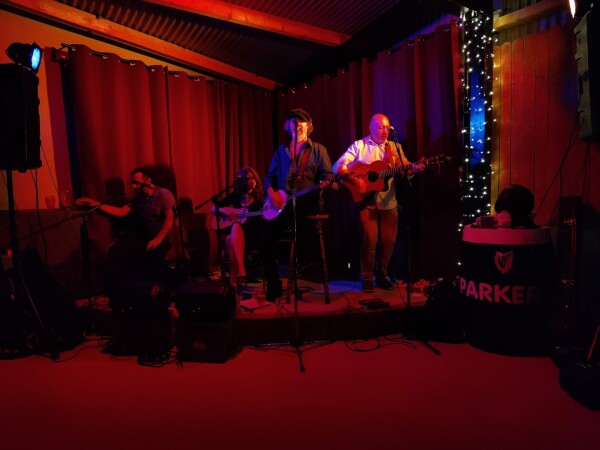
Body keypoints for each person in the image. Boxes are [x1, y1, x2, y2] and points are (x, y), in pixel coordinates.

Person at [334, 113, 424, 293]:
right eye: (381, 127)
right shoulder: (359, 146)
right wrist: (356, 181)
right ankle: (367, 277)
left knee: (389, 241)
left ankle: (382, 275)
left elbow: (404, 167)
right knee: (370, 240)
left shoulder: (394, 147)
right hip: (366, 201)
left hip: (389, 201)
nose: (385, 131)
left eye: (387, 128)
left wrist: (413, 169)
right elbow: (338, 166)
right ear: (371, 128)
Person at [262, 108, 334, 302]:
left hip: (307, 202)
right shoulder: (281, 152)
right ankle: (274, 286)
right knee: (265, 235)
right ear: (288, 127)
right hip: (284, 204)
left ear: (308, 126)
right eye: (293, 121)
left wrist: (327, 182)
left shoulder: (318, 150)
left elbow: (329, 175)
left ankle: (300, 263)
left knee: (298, 216)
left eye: (301, 121)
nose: (297, 124)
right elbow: (268, 179)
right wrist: (272, 194)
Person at [75, 167, 176, 286]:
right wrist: (96, 204)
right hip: (145, 238)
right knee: (123, 258)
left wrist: (158, 239)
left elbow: (170, 218)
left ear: (148, 181)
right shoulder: (139, 199)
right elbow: (121, 211)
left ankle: (166, 288)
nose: (133, 186)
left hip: (161, 238)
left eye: (136, 183)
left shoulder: (163, 194)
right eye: (132, 183)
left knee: (154, 256)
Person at [210, 166, 264, 292]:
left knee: (231, 238)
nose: (250, 181)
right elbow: (213, 209)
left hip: (253, 236)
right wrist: (226, 211)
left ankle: (234, 282)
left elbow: (264, 220)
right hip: (237, 238)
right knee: (232, 236)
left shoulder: (260, 199)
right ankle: (238, 277)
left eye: (252, 178)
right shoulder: (236, 196)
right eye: (247, 179)